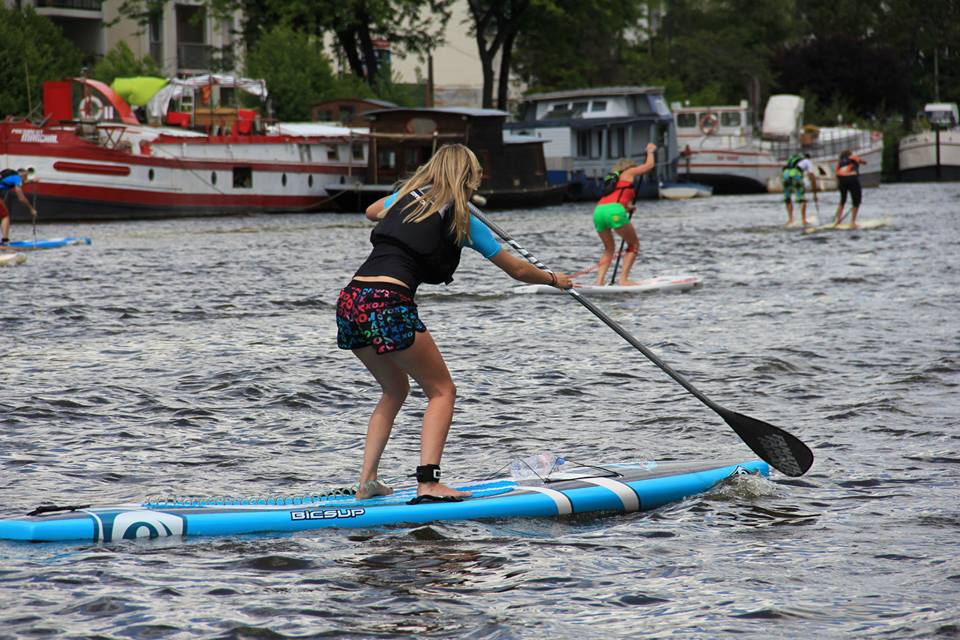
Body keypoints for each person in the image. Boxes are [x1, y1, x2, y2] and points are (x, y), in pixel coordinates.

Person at [336, 144, 573, 502]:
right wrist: (555, 279)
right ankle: (429, 483)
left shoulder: (405, 199)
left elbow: (372, 211)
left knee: (395, 390)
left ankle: (367, 482)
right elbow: (518, 270)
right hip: (388, 303)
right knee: (442, 391)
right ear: (470, 178)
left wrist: (406, 193)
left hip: (351, 301)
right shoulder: (464, 219)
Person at [592, 142, 657, 286]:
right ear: (628, 167)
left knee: (609, 249)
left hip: (598, 211)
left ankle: (599, 281)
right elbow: (649, 166)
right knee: (633, 244)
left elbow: (619, 201)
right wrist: (650, 152)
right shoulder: (628, 172)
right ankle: (624, 280)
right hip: (614, 211)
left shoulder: (613, 180)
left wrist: (628, 208)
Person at [0, 167, 38, 245]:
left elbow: (18, 182)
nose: (26, 179)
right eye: (26, 177)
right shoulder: (17, 178)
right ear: (22, 175)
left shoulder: (11, 176)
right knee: (5, 216)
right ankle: (5, 241)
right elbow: (21, 198)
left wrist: (31, 181)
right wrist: (31, 209)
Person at [781, 152, 818, 226]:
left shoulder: (793, 160)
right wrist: (815, 192)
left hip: (785, 175)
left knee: (787, 198)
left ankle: (790, 220)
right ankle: (803, 219)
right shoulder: (807, 161)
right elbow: (811, 175)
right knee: (801, 197)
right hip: (796, 175)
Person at [834, 149, 865, 227]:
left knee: (842, 200)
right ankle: (852, 222)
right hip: (852, 179)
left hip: (841, 180)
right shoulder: (853, 157)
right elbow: (861, 161)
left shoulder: (839, 162)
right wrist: (863, 162)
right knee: (856, 201)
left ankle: (837, 221)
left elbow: (837, 173)